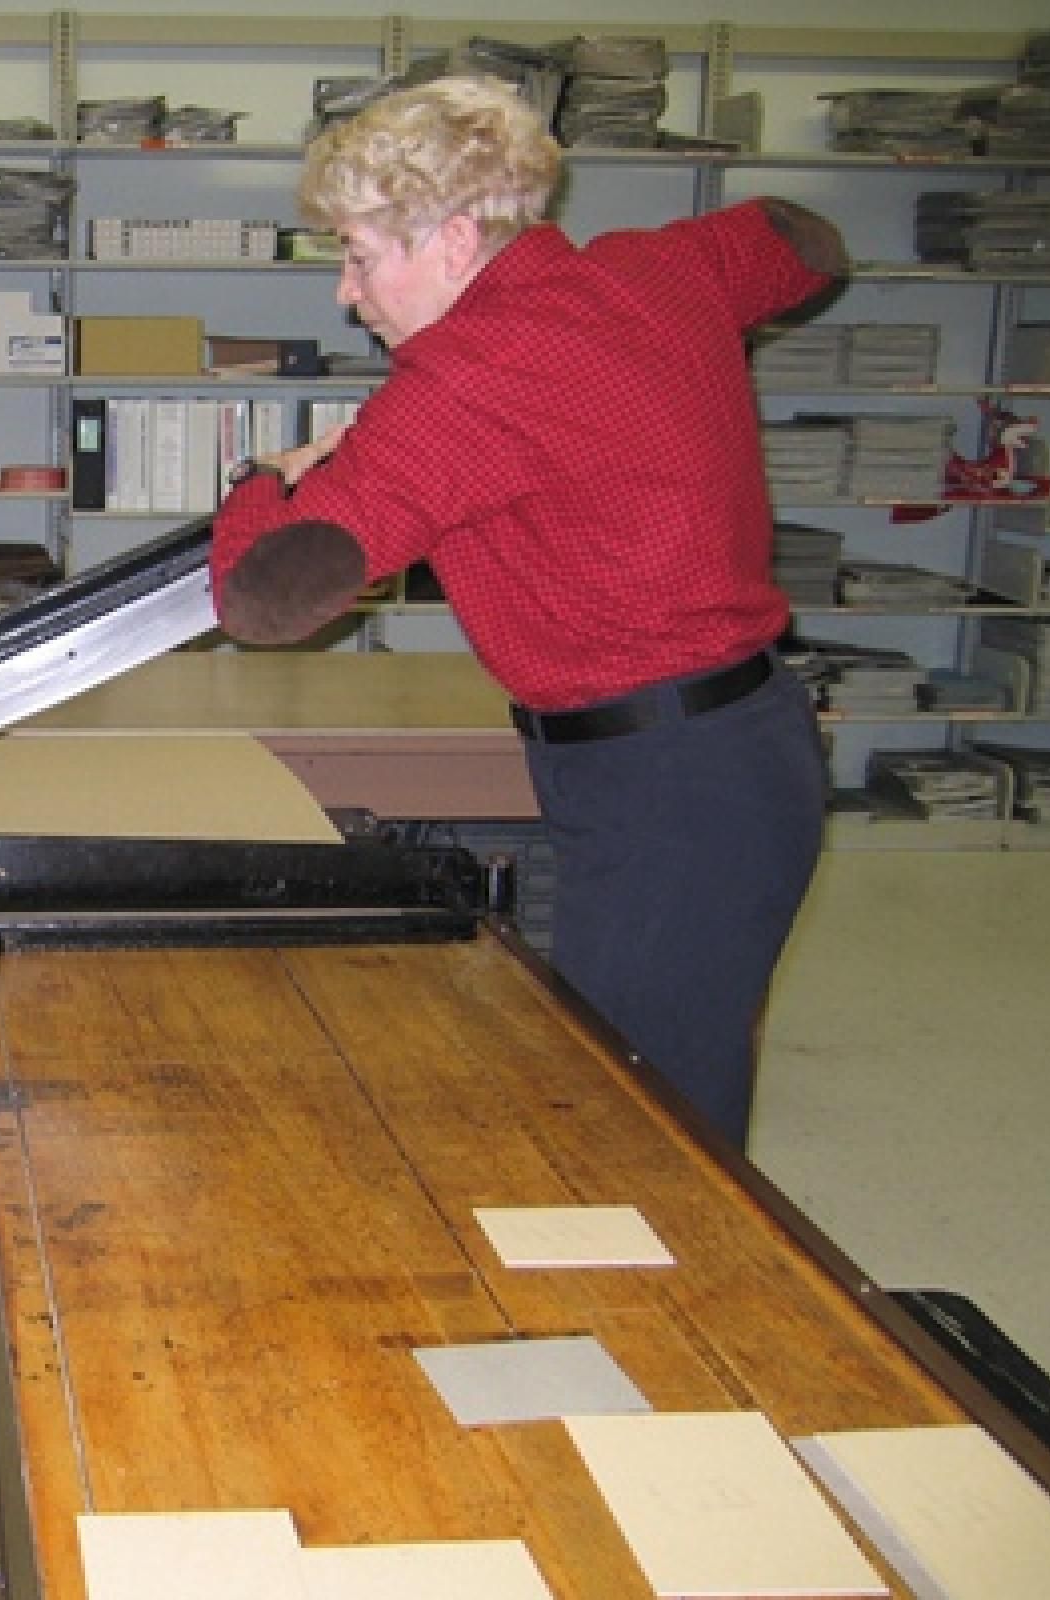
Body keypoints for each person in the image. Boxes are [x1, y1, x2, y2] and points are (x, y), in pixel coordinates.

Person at [211, 74, 843, 1147]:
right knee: (655, 1075)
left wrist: (263, 484)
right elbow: (803, 243)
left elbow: (265, 598)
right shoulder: (653, 268)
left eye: (360, 257)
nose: (345, 294)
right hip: (743, 749)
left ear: (455, 240)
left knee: (646, 1124)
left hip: (667, 792)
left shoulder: (463, 384)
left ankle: (676, 1309)